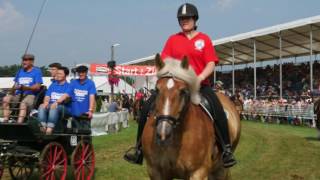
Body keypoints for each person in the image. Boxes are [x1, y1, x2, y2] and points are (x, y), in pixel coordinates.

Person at [124, 3, 236, 168]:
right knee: (147, 107)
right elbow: (164, 62)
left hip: (199, 85)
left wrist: (199, 78)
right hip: (175, 86)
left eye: (187, 18)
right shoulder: (172, 40)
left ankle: (226, 149)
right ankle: (139, 149)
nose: (184, 21)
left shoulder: (203, 39)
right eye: (181, 19)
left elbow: (211, 63)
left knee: (216, 107)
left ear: (194, 19)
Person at [2, 54, 43, 123]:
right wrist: (11, 92)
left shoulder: (37, 71)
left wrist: (25, 88)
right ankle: (6, 120)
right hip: (18, 94)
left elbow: (38, 87)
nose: (24, 62)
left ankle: (19, 123)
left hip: (31, 95)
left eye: (26, 60)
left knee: (23, 103)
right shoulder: (20, 71)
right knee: (5, 99)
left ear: (32, 62)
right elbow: (15, 85)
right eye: (23, 60)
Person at [38, 66, 71, 135]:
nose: (58, 75)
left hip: (64, 108)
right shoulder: (53, 85)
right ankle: (42, 127)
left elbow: (65, 96)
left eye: (60, 74)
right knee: (41, 106)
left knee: (54, 107)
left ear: (66, 75)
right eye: (57, 73)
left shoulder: (69, 86)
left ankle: (50, 129)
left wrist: (56, 102)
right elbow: (47, 96)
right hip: (51, 105)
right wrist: (45, 103)